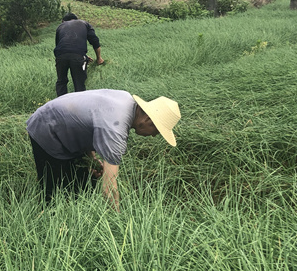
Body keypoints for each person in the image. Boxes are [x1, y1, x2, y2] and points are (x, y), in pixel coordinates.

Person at [26, 89, 181, 210]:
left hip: (65, 127)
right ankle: (50, 222)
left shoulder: (126, 100)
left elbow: (90, 122)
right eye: (157, 131)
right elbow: (109, 189)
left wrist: (91, 159)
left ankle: (74, 213)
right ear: (147, 120)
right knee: (54, 190)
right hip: (46, 127)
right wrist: (116, 223)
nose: (154, 136)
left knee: (86, 181)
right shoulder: (117, 128)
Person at [53, 12, 104, 97]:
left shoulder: (60, 26)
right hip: (77, 57)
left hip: (60, 56)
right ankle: (78, 105)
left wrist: (85, 57)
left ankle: (61, 105)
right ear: (76, 19)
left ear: (63, 21)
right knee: (79, 82)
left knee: (61, 81)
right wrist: (99, 58)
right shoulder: (84, 23)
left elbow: (61, 47)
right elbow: (95, 41)